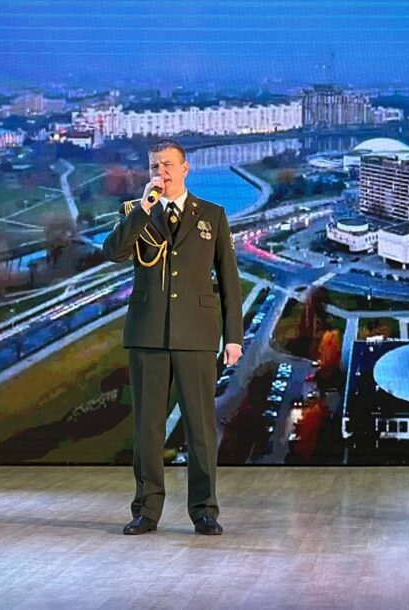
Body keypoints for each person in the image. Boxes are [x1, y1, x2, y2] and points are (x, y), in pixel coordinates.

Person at [102, 139, 243, 536]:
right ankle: (146, 511)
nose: (160, 172)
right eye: (154, 166)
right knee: (147, 428)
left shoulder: (212, 215)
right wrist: (144, 209)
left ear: (184, 169)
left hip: (196, 335)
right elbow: (113, 252)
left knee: (200, 428)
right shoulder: (136, 212)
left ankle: (204, 510)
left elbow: (229, 282)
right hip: (147, 334)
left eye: (167, 165)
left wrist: (233, 337)